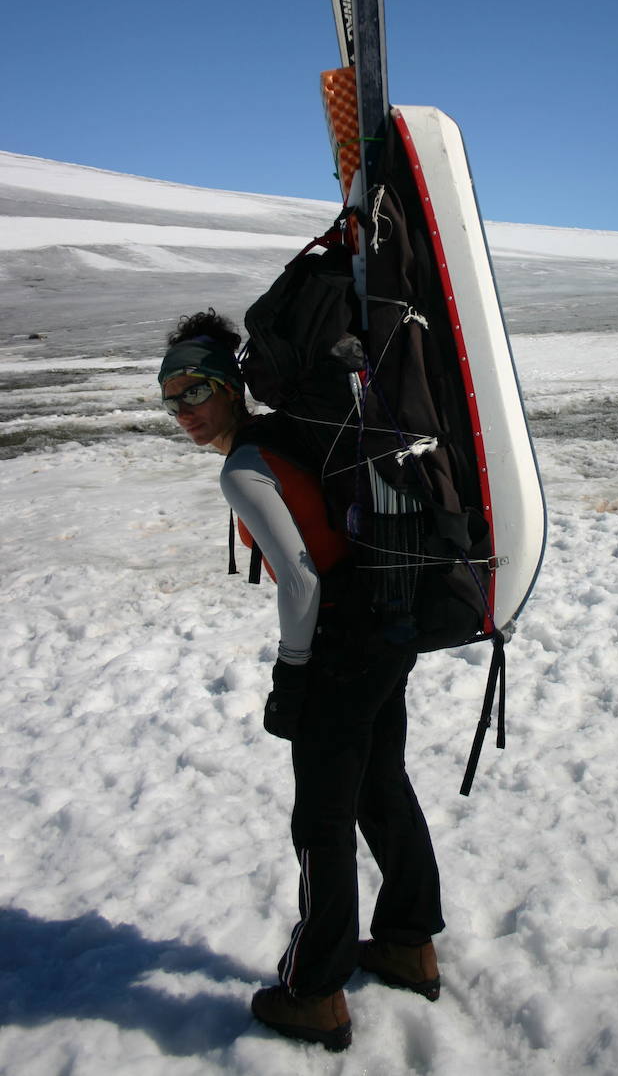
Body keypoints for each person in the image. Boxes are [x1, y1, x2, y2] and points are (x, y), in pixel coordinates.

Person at [158, 310, 444, 1051]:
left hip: (341, 645)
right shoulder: (287, 431)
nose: (184, 412)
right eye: (171, 399)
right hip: (387, 618)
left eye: (194, 392)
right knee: (380, 786)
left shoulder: (245, 467)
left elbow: (301, 581)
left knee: (321, 823)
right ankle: (409, 943)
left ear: (226, 386)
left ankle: (313, 992)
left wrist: (292, 676)